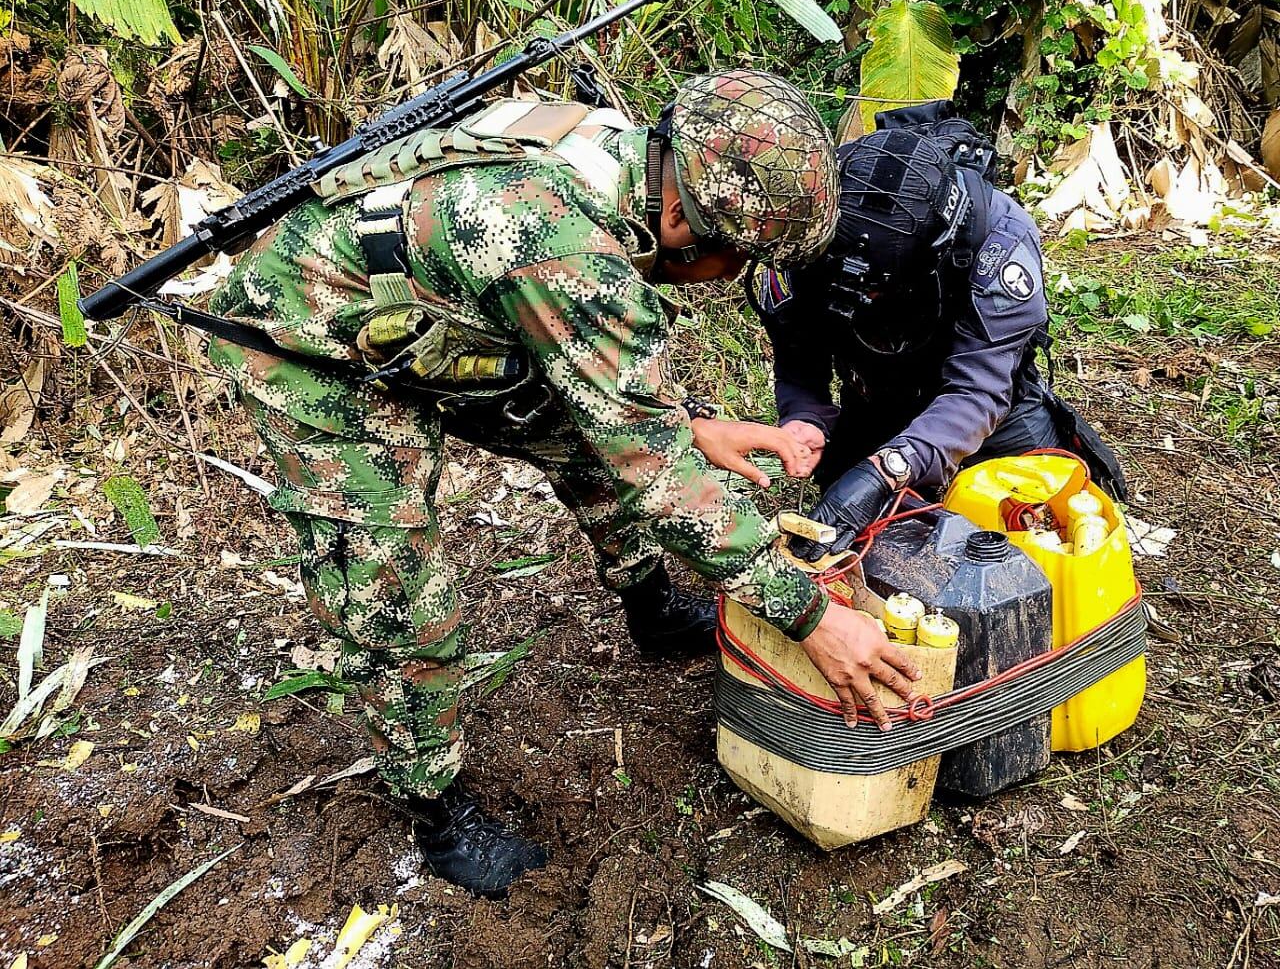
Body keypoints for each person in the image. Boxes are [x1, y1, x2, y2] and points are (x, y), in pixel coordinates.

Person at [205, 69, 922, 896]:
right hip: (307, 332)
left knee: (589, 443)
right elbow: (659, 475)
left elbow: (615, 403)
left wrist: (689, 424)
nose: (732, 279)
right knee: (396, 590)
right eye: (737, 259)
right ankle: (434, 806)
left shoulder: (622, 163)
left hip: (440, 305)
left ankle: (650, 607)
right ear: (682, 218)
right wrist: (814, 618)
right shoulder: (564, 246)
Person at [749, 101, 1126, 558]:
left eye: (877, 290)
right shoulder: (805, 227)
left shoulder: (996, 244)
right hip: (874, 397)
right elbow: (797, 351)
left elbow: (979, 391)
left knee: (1034, 539)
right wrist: (805, 418)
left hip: (989, 413)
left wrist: (888, 467)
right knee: (865, 549)